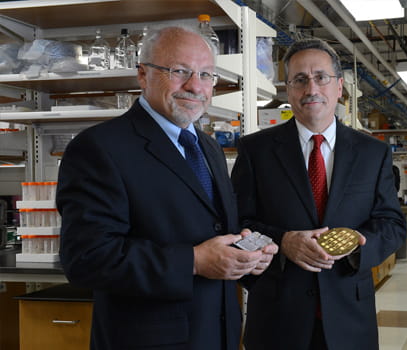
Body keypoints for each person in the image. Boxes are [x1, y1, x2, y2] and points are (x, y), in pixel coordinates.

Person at [56, 26, 278, 350]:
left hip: (218, 335)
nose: (194, 86)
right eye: (179, 71)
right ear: (143, 75)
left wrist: (246, 256)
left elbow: (212, 230)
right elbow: (86, 258)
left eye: (205, 74)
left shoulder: (208, 147)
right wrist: (193, 261)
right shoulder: (99, 148)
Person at [231, 38, 407, 350]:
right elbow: (237, 223)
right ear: (289, 89)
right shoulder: (255, 150)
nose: (311, 89)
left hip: (349, 316)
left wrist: (359, 248)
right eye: (300, 79)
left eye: (321, 77)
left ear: (339, 87)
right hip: (277, 317)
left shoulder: (373, 153)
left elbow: (392, 225)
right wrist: (283, 242)